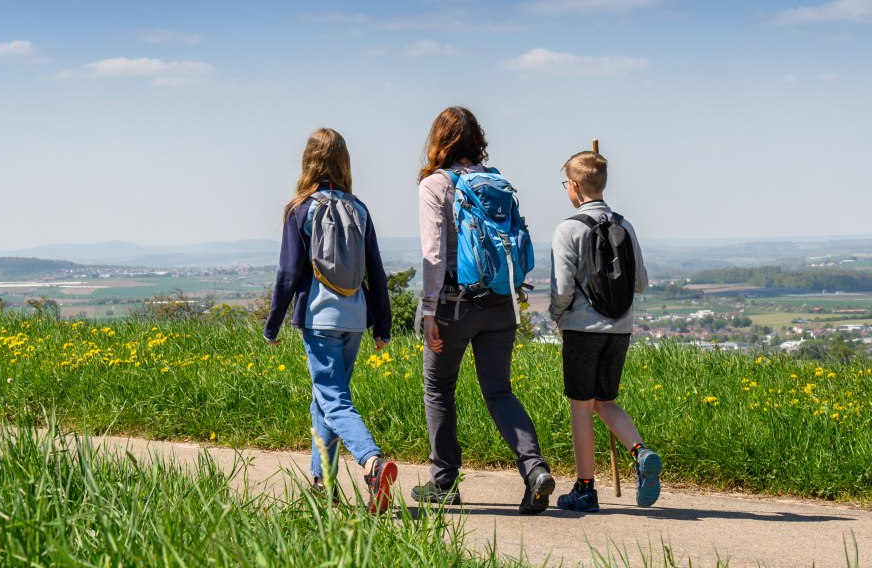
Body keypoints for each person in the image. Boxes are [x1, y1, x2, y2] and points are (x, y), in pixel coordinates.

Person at [413, 106, 555, 514]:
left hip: (454, 305)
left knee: (439, 390)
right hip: (501, 303)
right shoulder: (497, 181)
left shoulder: (435, 184)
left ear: (439, 140)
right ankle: (534, 469)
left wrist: (428, 311)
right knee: (499, 390)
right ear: (477, 140)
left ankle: (443, 482)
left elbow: (433, 253)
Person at [263, 127, 397, 514]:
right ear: (343, 162)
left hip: (319, 319)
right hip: (355, 319)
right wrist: (383, 325)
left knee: (334, 400)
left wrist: (272, 325)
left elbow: (288, 274)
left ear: (308, 161)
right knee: (324, 400)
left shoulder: (300, 209)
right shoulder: (359, 208)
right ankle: (322, 484)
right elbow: (377, 271)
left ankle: (372, 464)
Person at [550, 150, 660, 512]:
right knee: (605, 402)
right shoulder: (625, 226)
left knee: (581, 408)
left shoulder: (568, 228)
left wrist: (557, 315)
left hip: (582, 329)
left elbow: (563, 288)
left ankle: (585, 488)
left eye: (567, 183)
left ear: (575, 187)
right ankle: (640, 452)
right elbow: (640, 282)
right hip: (620, 329)